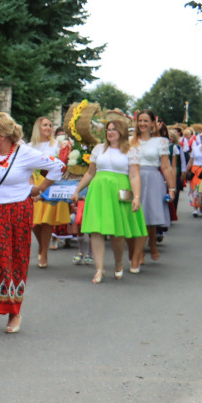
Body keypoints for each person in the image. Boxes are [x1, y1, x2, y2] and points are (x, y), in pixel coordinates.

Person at [0, 112, 64, 335]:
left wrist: (40, 188)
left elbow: (58, 166)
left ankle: (14, 312)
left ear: (2, 134)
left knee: (11, 261)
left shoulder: (25, 153)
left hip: (16, 213)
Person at [69, 119, 146, 282]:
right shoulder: (98, 149)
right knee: (96, 230)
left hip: (119, 190)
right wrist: (77, 190)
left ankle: (118, 263)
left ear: (122, 132)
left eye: (114, 130)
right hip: (99, 190)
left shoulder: (131, 151)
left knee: (117, 231)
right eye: (108, 129)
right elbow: (90, 173)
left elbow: (134, 175)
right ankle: (99, 269)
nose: (110, 132)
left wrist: (137, 197)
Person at [130, 110, 176, 268]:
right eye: (140, 121)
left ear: (152, 124)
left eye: (145, 121)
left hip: (153, 179)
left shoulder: (161, 142)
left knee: (150, 216)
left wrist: (172, 188)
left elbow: (166, 166)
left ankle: (152, 244)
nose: (142, 124)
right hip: (133, 178)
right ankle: (139, 251)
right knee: (137, 216)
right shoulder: (130, 141)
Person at [29, 116, 69, 268]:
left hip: (51, 183)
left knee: (46, 221)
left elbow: (62, 165)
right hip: (33, 181)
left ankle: (44, 252)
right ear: (38, 127)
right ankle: (41, 245)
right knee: (34, 221)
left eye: (50, 125)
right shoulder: (29, 146)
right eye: (45, 125)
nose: (48, 128)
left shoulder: (57, 145)